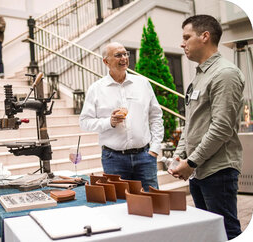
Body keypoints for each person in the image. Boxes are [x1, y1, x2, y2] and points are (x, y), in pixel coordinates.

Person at [169, 15, 244, 240]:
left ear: (205, 36)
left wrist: (191, 162)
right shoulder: (199, 75)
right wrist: (179, 156)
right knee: (208, 233)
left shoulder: (225, 73)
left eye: (186, 37)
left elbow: (221, 127)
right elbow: (191, 122)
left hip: (217, 171)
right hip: (198, 170)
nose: (182, 43)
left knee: (226, 232)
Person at [79, 42, 164, 192]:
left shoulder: (142, 83)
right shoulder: (96, 89)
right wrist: (109, 122)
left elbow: (156, 116)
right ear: (106, 61)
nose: (124, 58)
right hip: (113, 159)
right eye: (118, 55)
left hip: (145, 157)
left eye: (125, 54)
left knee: (151, 202)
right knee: (118, 205)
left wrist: (155, 148)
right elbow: (84, 122)